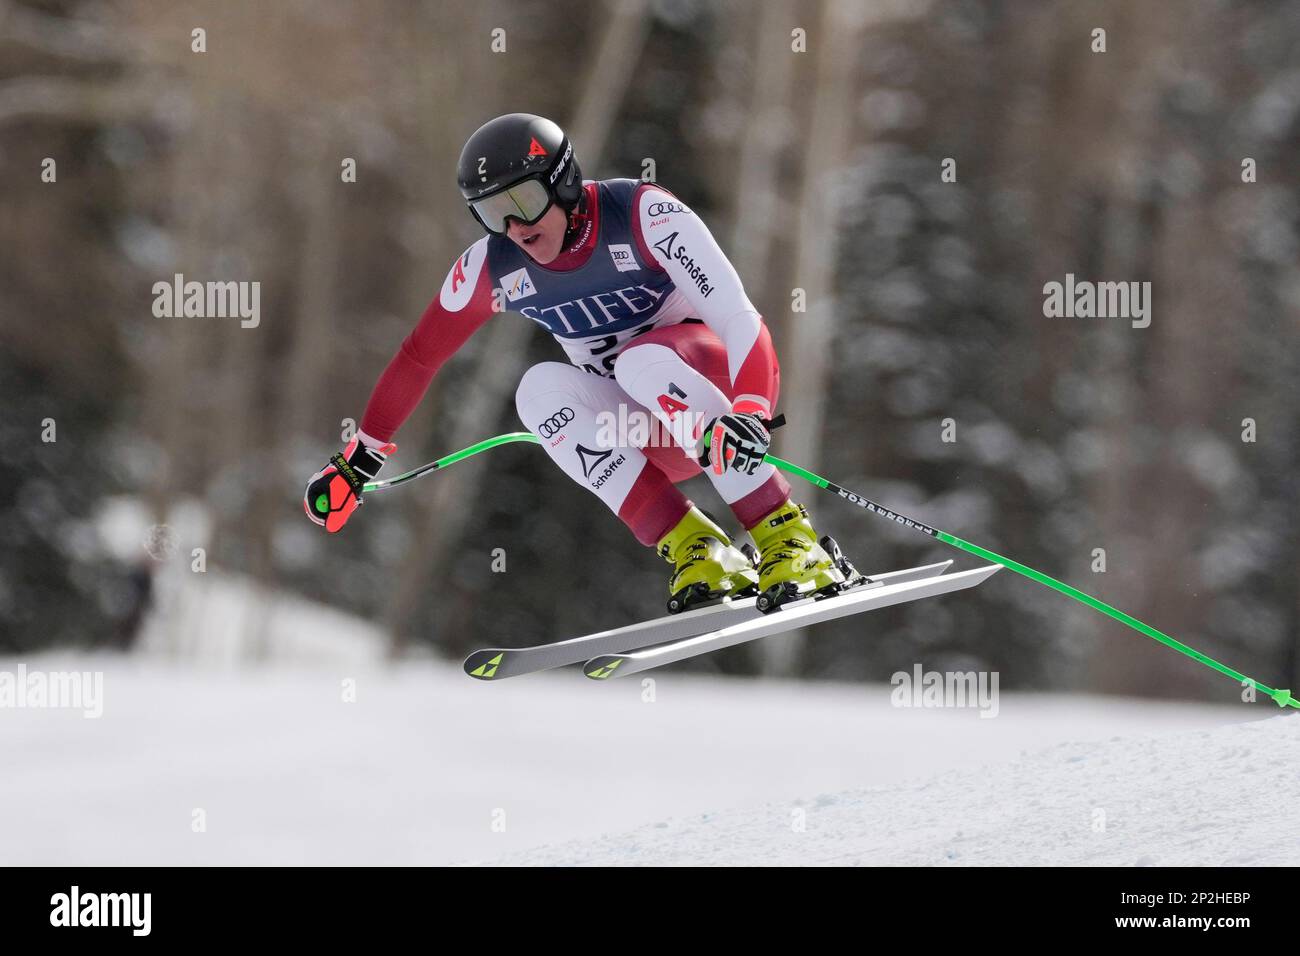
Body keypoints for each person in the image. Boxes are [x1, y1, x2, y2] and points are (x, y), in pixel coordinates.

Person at [304, 113, 852, 611]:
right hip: (644, 429)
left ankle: (788, 539)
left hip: (715, 401)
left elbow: (739, 319)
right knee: (537, 391)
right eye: (492, 213)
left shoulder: (643, 215)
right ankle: (700, 548)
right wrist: (361, 456)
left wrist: (752, 408)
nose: (515, 227)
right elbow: (419, 356)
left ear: (562, 181)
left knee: (640, 362)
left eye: (521, 202)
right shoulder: (493, 267)